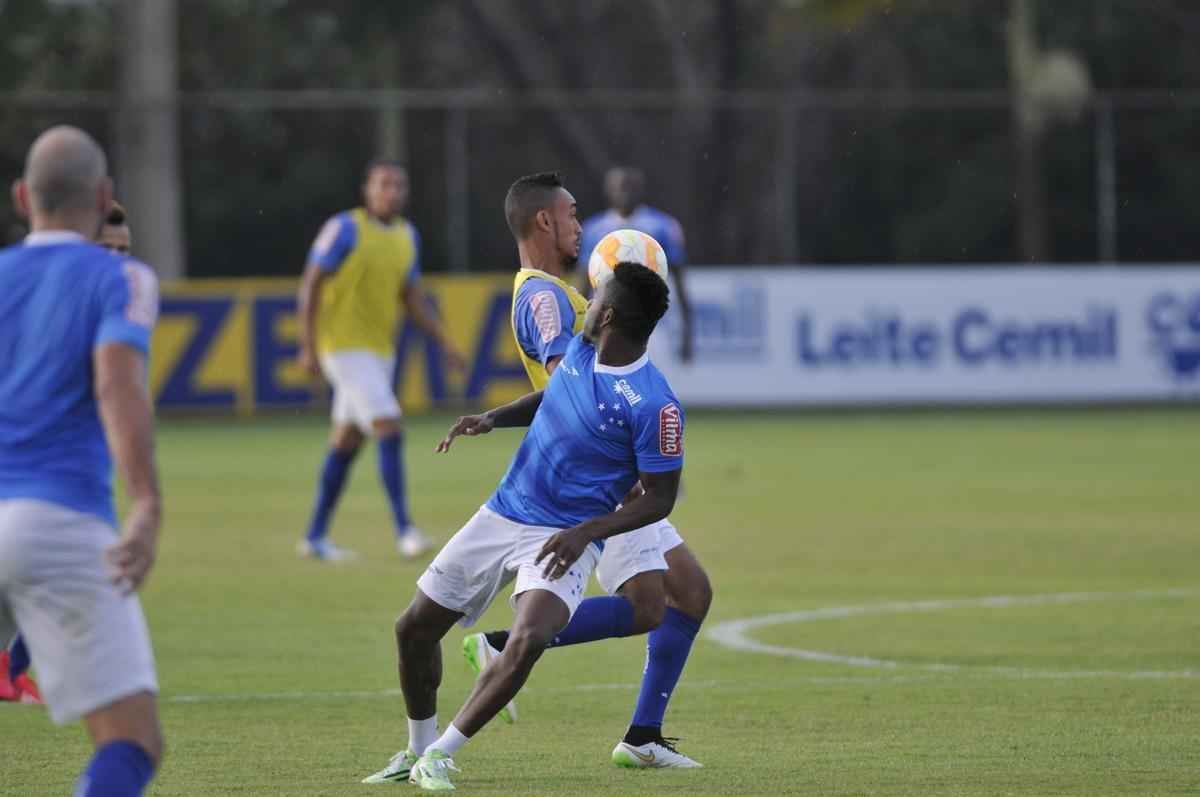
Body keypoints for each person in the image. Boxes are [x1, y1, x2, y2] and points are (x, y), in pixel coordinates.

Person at [363, 262, 684, 790]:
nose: (587, 302)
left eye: (596, 297)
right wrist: (494, 417)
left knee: (531, 636)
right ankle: (416, 750)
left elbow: (661, 498)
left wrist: (589, 532)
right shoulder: (582, 351)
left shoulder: (655, 404)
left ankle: (441, 756)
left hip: (565, 535)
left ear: (607, 316)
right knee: (413, 629)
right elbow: (553, 396)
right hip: (504, 511)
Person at [464, 172, 711, 768]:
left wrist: (495, 416)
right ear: (544, 221)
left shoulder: (562, 293)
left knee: (685, 593)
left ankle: (642, 736)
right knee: (659, 604)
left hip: (606, 471)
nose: (581, 225)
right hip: (601, 480)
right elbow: (570, 390)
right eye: (572, 215)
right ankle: (504, 646)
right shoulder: (545, 299)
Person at [0, 125, 164, 796]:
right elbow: (115, 383)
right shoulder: (121, 277)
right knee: (132, 740)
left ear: (21, 197)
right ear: (103, 197)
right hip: (55, 518)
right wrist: (146, 501)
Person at [295, 159, 464, 561]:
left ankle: (314, 536)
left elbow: (410, 297)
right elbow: (311, 282)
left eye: (398, 185)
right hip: (342, 346)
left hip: (379, 352)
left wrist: (444, 342)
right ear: (367, 190)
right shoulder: (345, 228)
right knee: (388, 424)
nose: (392, 192)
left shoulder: (407, 236)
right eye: (384, 184)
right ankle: (405, 531)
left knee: (347, 440)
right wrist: (307, 345)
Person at [0, 199, 133, 706]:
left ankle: (12, 669)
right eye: (106, 248)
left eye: (123, 250)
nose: (116, 260)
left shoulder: (105, 303)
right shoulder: (44, 300)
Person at [580, 166, 694, 362]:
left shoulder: (663, 226)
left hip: (651, 327)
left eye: (630, 187)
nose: (625, 192)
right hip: (605, 324)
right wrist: (582, 325)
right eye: (619, 187)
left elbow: (680, 282)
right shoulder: (593, 229)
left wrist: (687, 333)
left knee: (650, 377)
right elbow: (584, 281)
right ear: (608, 190)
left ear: (640, 190)